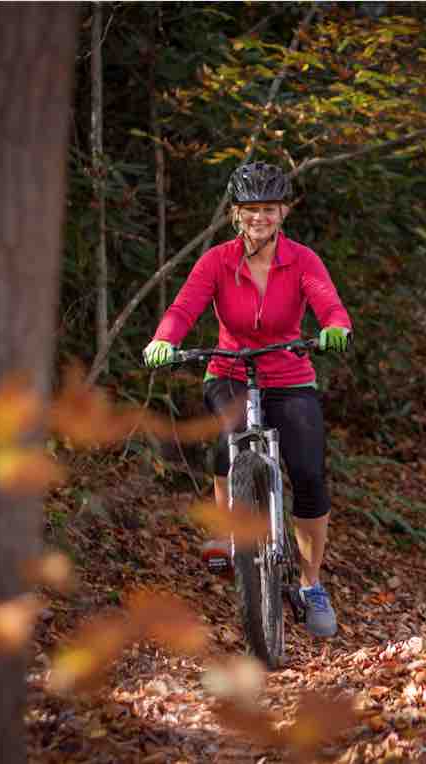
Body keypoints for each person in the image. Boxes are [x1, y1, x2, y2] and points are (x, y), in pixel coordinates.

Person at [143, 162, 351, 638]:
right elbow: (183, 307)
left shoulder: (302, 261)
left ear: (284, 212)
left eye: (270, 209)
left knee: (307, 470)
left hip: (289, 371)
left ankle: (311, 583)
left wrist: (336, 327)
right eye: (251, 209)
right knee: (228, 435)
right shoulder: (217, 260)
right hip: (230, 368)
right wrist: (164, 339)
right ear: (236, 213)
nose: (260, 218)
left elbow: (328, 303)